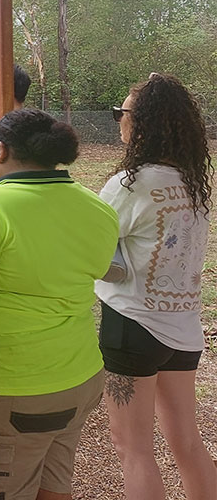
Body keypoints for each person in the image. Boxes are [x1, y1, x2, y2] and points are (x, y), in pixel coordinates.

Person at [0, 109, 117, 500]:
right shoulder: (97, 208)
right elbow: (99, 268)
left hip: (9, 389)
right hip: (80, 378)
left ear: (0, 151)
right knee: (53, 484)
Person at [96, 74, 216, 500]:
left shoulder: (131, 184)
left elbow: (94, 254)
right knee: (187, 443)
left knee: (133, 450)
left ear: (142, 122)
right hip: (183, 329)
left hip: (131, 325)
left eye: (121, 113)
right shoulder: (191, 182)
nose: (118, 123)